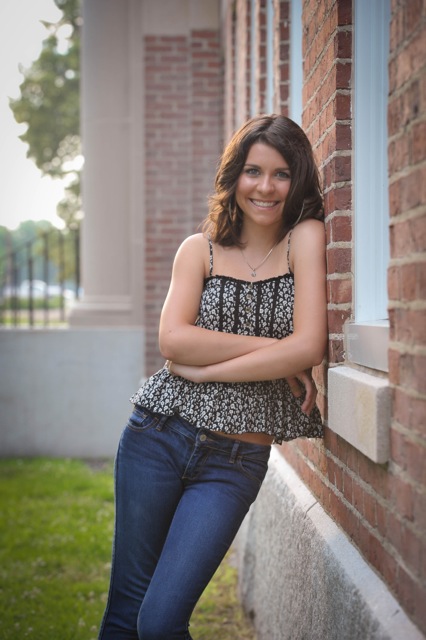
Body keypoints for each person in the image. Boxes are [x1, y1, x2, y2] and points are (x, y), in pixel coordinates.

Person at [98, 114, 327, 639]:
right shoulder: (197, 249)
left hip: (234, 461)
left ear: (298, 180)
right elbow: (174, 341)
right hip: (157, 437)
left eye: (281, 174)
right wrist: (275, 352)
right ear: (234, 176)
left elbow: (309, 346)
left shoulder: (304, 239)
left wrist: (205, 374)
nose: (265, 187)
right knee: (126, 613)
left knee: (159, 622)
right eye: (253, 171)